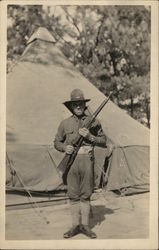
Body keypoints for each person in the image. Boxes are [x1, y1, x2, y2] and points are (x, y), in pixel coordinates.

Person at [54, 89, 107, 239]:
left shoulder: (94, 122)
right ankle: (74, 226)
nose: (78, 106)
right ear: (71, 106)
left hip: (87, 161)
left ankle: (85, 226)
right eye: (75, 104)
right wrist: (65, 147)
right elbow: (56, 142)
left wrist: (90, 136)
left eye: (81, 103)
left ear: (84, 105)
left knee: (86, 194)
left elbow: (103, 141)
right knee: (73, 195)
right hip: (71, 163)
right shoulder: (64, 124)